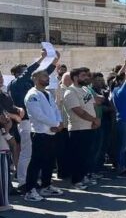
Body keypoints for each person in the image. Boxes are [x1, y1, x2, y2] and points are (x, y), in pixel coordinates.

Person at [9, 48, 58, 192]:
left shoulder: (30, 84)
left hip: (38, 125)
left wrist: (54, 61)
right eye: (25, 71)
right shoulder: (16, 83)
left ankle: (34, 181)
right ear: (18, 74)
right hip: (26, 122)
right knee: (27, 153)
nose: (29, 74)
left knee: (36, 155)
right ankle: (23, 181)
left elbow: (43, 74)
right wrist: (41, 58)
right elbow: (32, 71)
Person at [24, 70, 64, 202]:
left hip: (52, 132)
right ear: (35, 78)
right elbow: (38, 115)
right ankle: (30, 190)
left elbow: (56, 109)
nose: (47, 79)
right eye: (44, 76)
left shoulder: (47, 93)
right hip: (40, 133)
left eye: (47, 76)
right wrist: (54, 123)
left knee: (49, 161)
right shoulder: (32, 95)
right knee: (36, 162)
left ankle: (46, 186)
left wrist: (58, 123)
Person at [63, 68, 100, 190]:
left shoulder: (85, 89)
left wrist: (96, 119)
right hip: (78, 129)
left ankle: (83, 176)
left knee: (87, 155)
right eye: (83, 75)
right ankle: (76, 181)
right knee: (78, 156)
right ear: (75, 78)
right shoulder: (70, 92)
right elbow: (78, 111)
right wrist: (93, 120)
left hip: (90, 127)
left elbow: (93, 106)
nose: (86, 77)